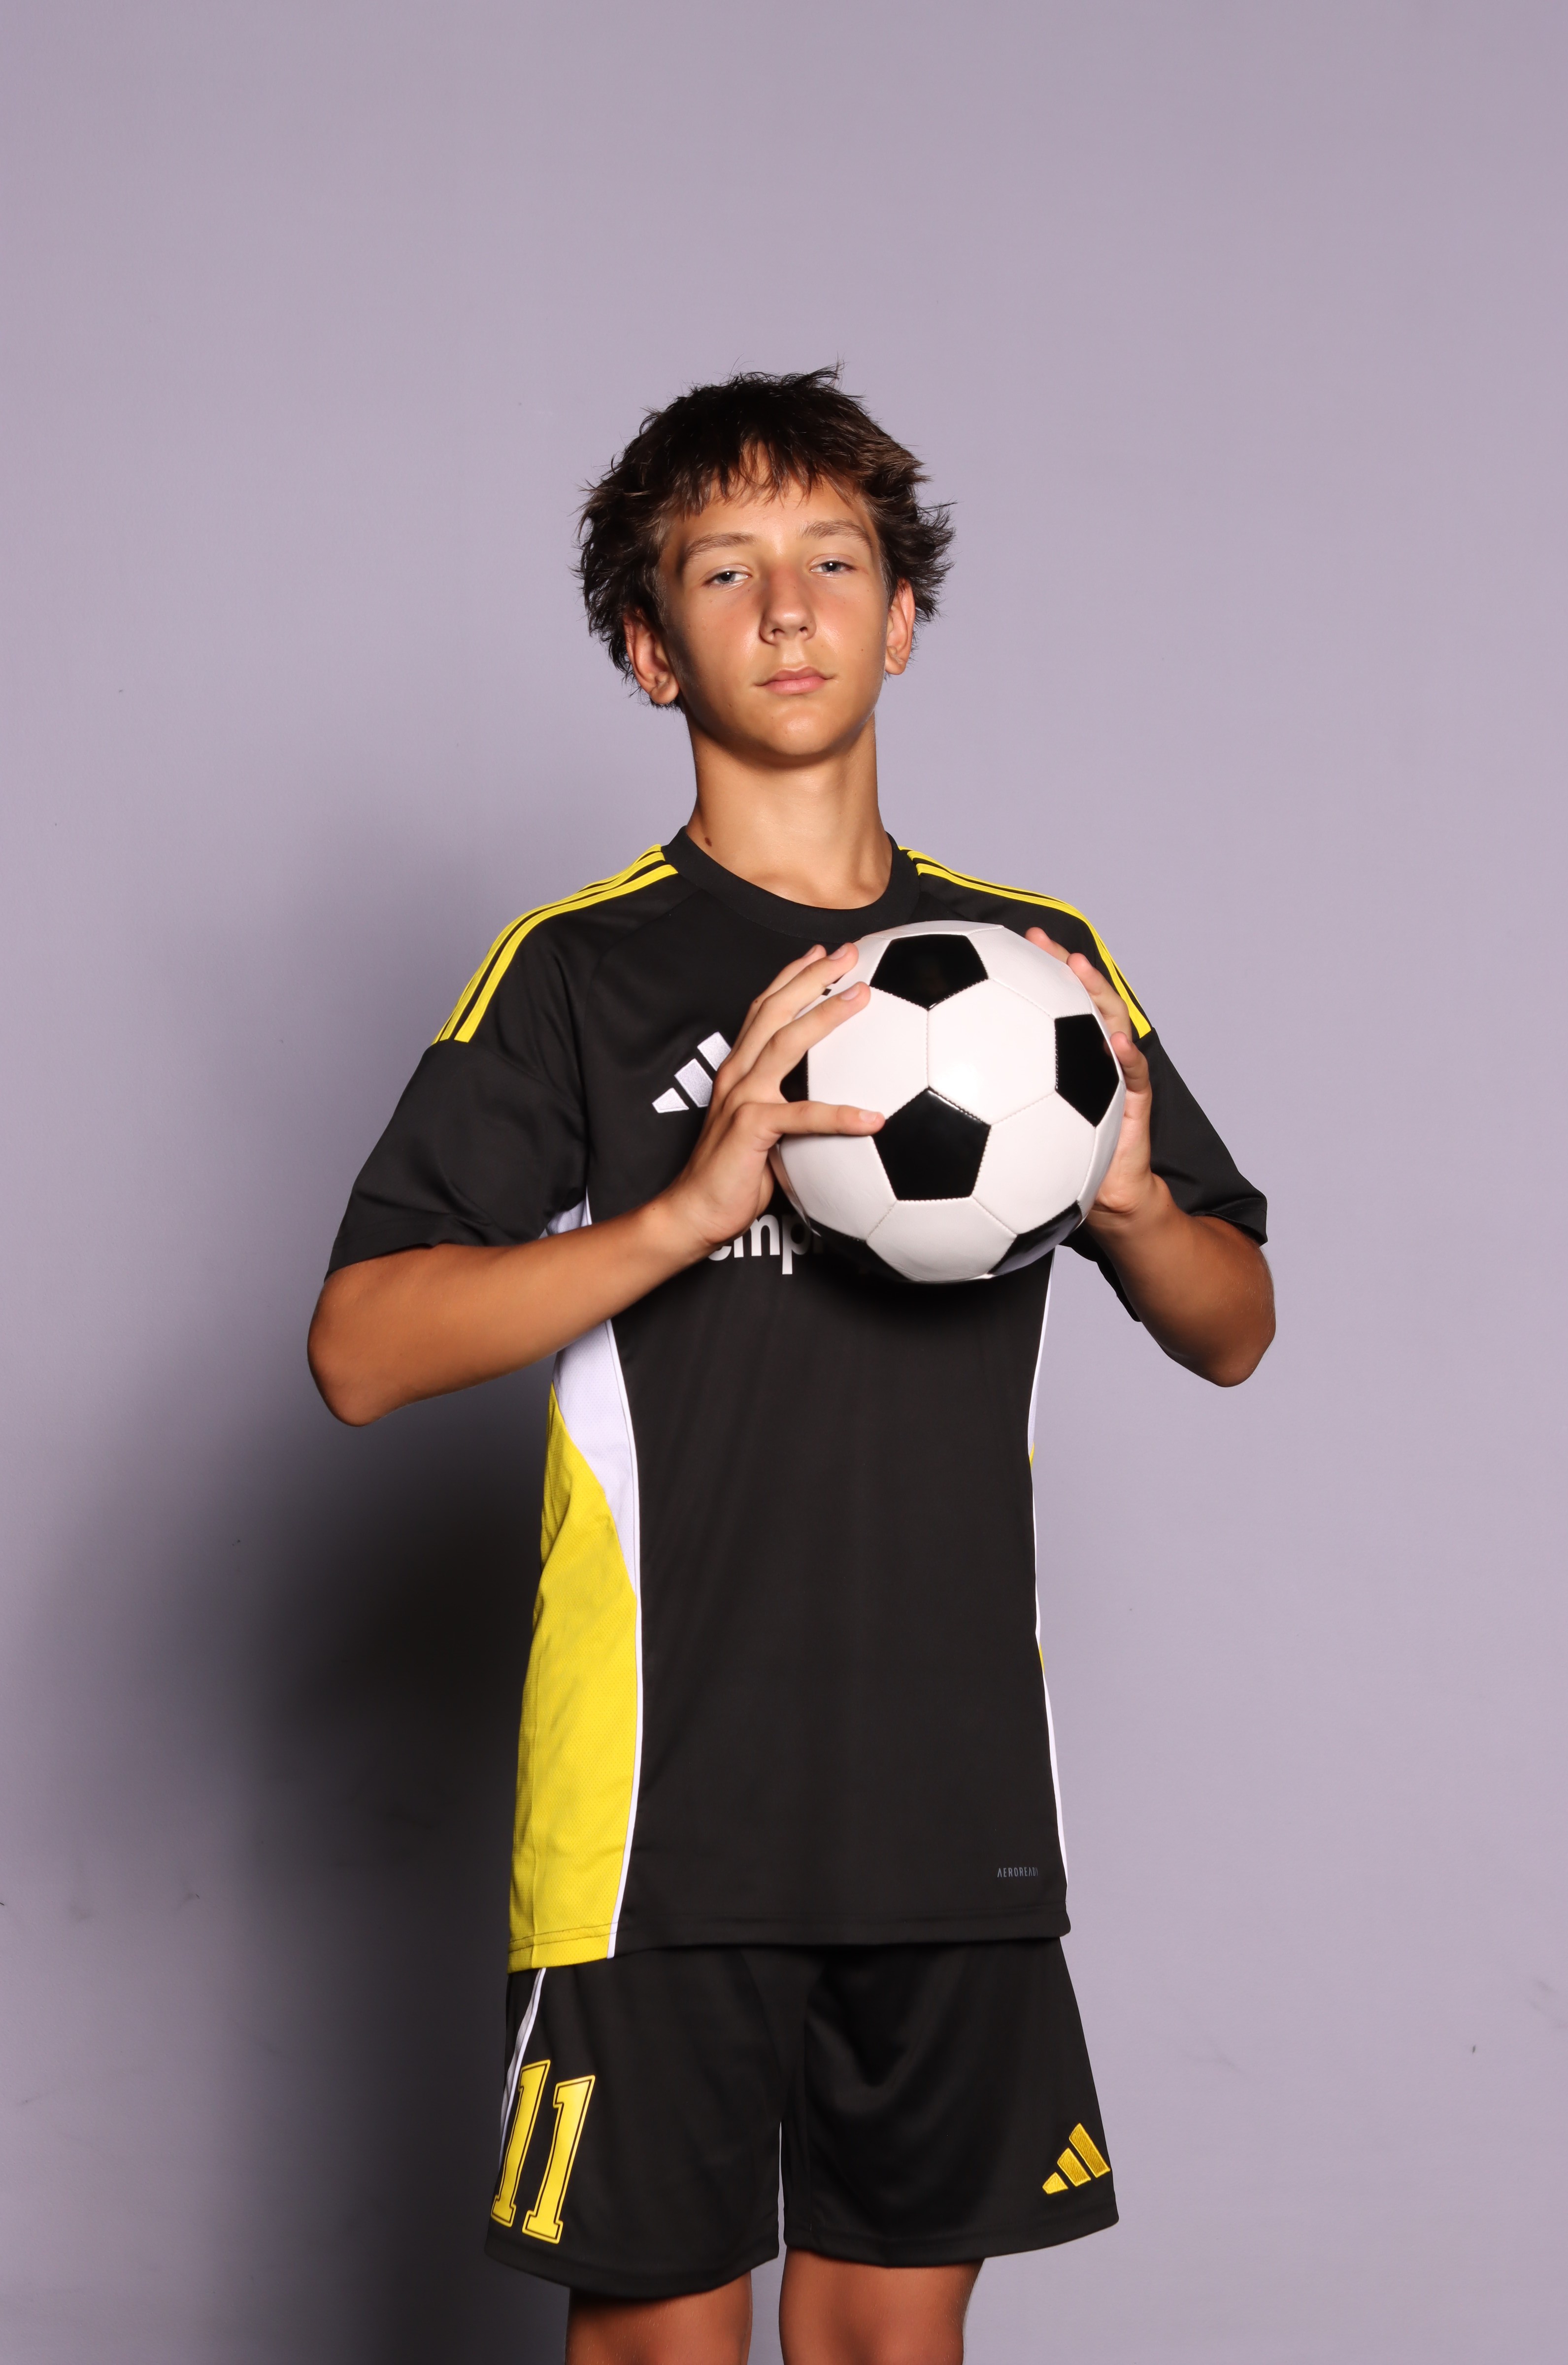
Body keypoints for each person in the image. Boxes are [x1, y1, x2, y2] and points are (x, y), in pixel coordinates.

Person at [308, 368, 1273, 2365]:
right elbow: (361, 1352)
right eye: (724, 570)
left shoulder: (1036, 971)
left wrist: (1123, 1203)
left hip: (952, 1802)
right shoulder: (578, 971)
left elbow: (1232, 1324)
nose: (788, 608)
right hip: (657, 1814)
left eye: (834, 562)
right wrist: (680, 1211)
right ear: (650, 651)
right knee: (661, 2348)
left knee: (886, 2351)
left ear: (901, 619)